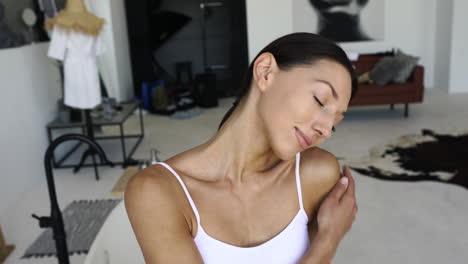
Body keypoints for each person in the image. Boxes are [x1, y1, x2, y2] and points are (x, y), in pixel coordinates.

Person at [125, 32, 359, 264]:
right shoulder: (158, 191)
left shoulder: (315, 173)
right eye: (320, 99)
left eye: (336, 121)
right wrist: (329, 240)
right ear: (265, 72)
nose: (326, 130)